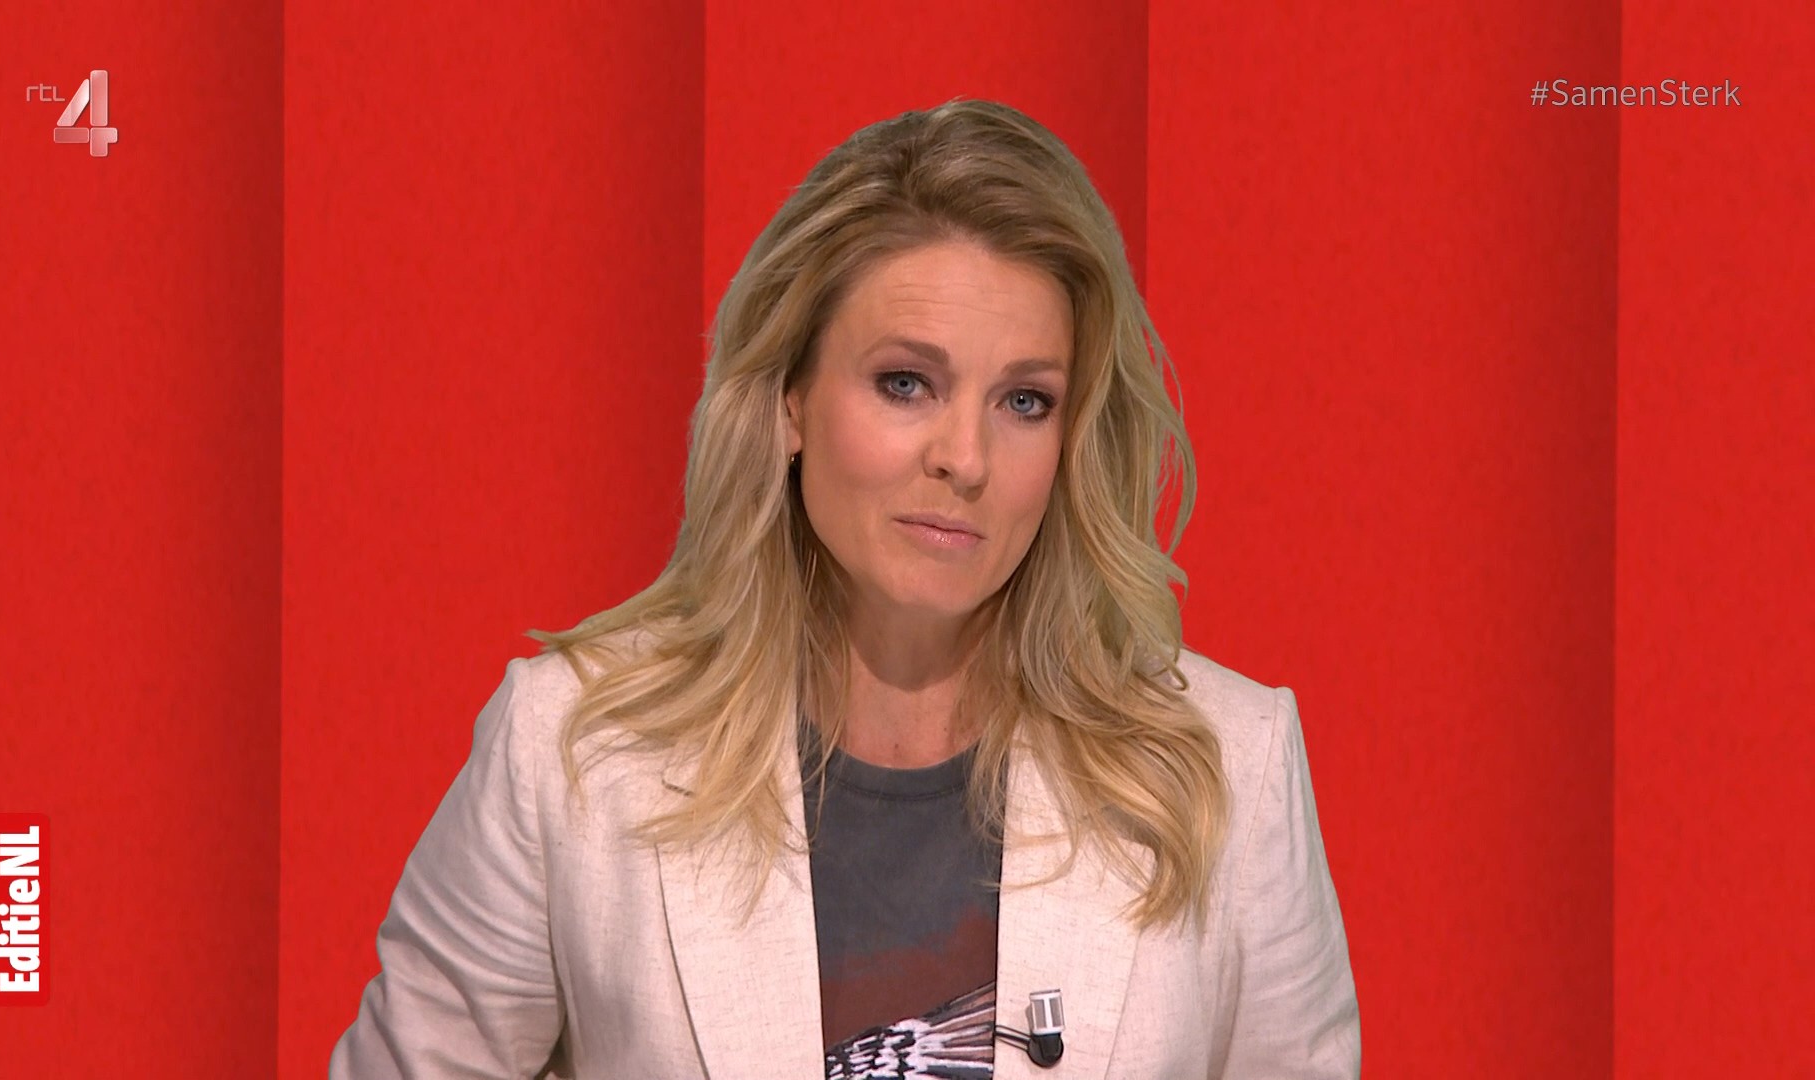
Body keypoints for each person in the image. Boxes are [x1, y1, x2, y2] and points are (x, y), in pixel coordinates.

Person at [329, 97, 1359, 1079]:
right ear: (790, 400)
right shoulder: (573, 753)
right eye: (906, 383)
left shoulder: (1230, 768)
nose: (965, 458)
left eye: (1024, 401)